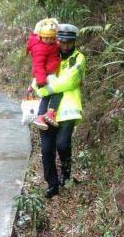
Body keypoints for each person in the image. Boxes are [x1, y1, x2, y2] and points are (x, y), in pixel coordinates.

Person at [32, 23, 86, 198]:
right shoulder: (48, 52)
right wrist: (42, 86)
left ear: (74, 42)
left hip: (69, 109)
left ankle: (67, 175)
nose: (65, 46)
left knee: (62, 145)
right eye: (61, 41)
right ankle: (52, 184)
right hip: (46, 109)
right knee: (47, 149)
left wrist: (46, 86)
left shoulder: (79, 58)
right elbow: (36, 83)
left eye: (68, 42)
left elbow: (69, 82)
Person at [26, 18, 62, 129]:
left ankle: (40, 117)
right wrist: (41, 80)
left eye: (52, 38)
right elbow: (38, 65)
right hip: (46, 75)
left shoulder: (50, 44)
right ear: (41, 36)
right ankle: (49, 113)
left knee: (47, 95)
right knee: (58, 91)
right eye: (46, 38)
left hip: (49, 72)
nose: (49, 40)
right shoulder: (39, 48)